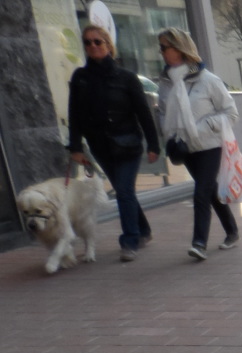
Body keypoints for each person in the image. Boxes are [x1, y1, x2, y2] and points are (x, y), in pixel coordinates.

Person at [67, 24, 160, 262]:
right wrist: (76, 147)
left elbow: (143, 113)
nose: (93, 46)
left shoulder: (126, 77)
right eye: (88, 42)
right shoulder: (80, 78)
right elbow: (75, 113)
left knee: (125, 191)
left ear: (108, 45)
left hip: (127, 143)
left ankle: (130, 241)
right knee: (123, 190)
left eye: (98, 41)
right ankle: (144, 231)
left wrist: (153, 144)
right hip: (100, 145)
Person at [156, 27, 239, 261]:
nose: (161, 52)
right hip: (184, 146)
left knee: (200, 193)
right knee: (210, 191)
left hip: (210, 145)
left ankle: (199, 243)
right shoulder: (165, 82)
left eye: (164, 47)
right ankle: (232, 231)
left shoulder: (208, 80)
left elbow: (231, 114)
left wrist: (202, 127)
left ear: (179, 48)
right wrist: (170, 133)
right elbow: (163, 112)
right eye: (160, 48)